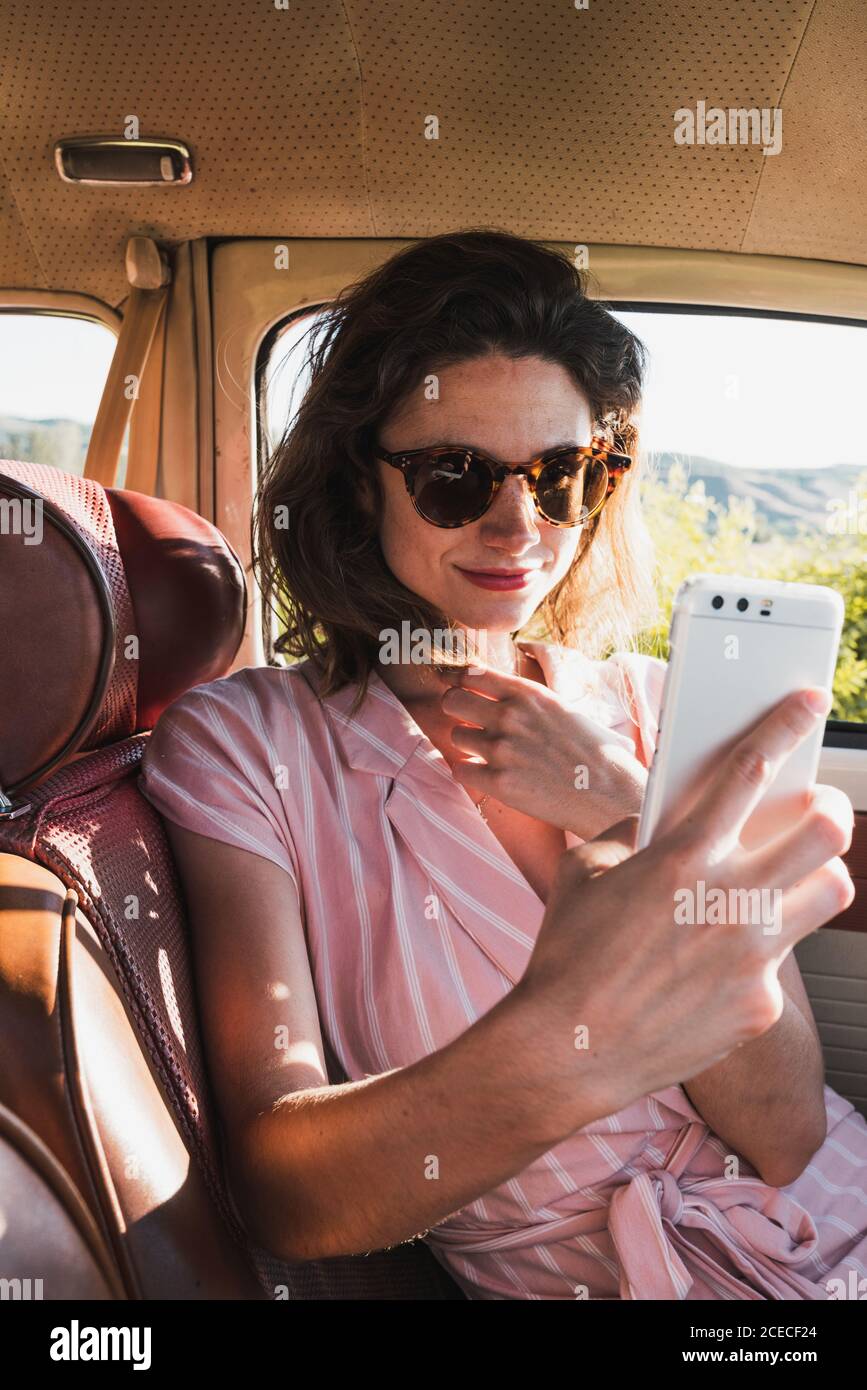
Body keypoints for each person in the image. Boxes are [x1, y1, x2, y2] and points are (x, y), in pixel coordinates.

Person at [140, 230, 867, 1300]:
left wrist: (628, 804)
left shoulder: (655, 708)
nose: (516, 523)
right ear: (359, 480)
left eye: (562, 475)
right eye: (454, 475)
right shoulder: (248, 747)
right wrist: (591, 1043)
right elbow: (285, 1189)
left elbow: (789, 1125)